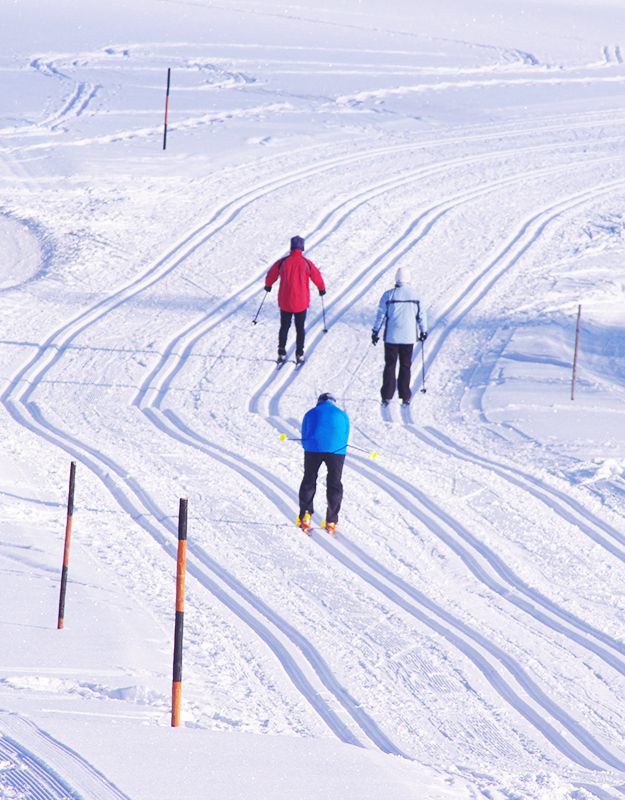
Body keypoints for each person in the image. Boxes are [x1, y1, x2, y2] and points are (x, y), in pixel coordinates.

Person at [264, 236, 326, 365]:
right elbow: (317, 276)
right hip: (301, 303)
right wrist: (321, 289)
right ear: (302, 248)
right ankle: (299, 354)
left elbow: (271, 274)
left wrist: (268, 285)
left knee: (284, 327)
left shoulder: (283, 262)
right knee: (300, 328)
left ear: (291, 247)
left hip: (285, 302)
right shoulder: (306, 263)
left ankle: (281, 352)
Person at [371, 267, 428, 406]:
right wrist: (423, 331)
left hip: (391, 337)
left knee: (390, 365)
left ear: (396, 278)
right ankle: (405, 395)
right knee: (405, 365)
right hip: (408, 338)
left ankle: (387, 395)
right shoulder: (416, 296)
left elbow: (381, 315)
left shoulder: (388, 295)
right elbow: (421, 315)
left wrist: (375, 331)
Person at [297, 392, 350, 535]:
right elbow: (346, 434)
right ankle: (331, 521)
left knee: (309, 479)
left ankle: (305, 515)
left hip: (313, 449)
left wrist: (307, 445)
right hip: (337, 450)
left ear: (319, 401)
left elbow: (305, 433)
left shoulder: (310, 413)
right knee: (334, 482)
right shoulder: (342, 414)